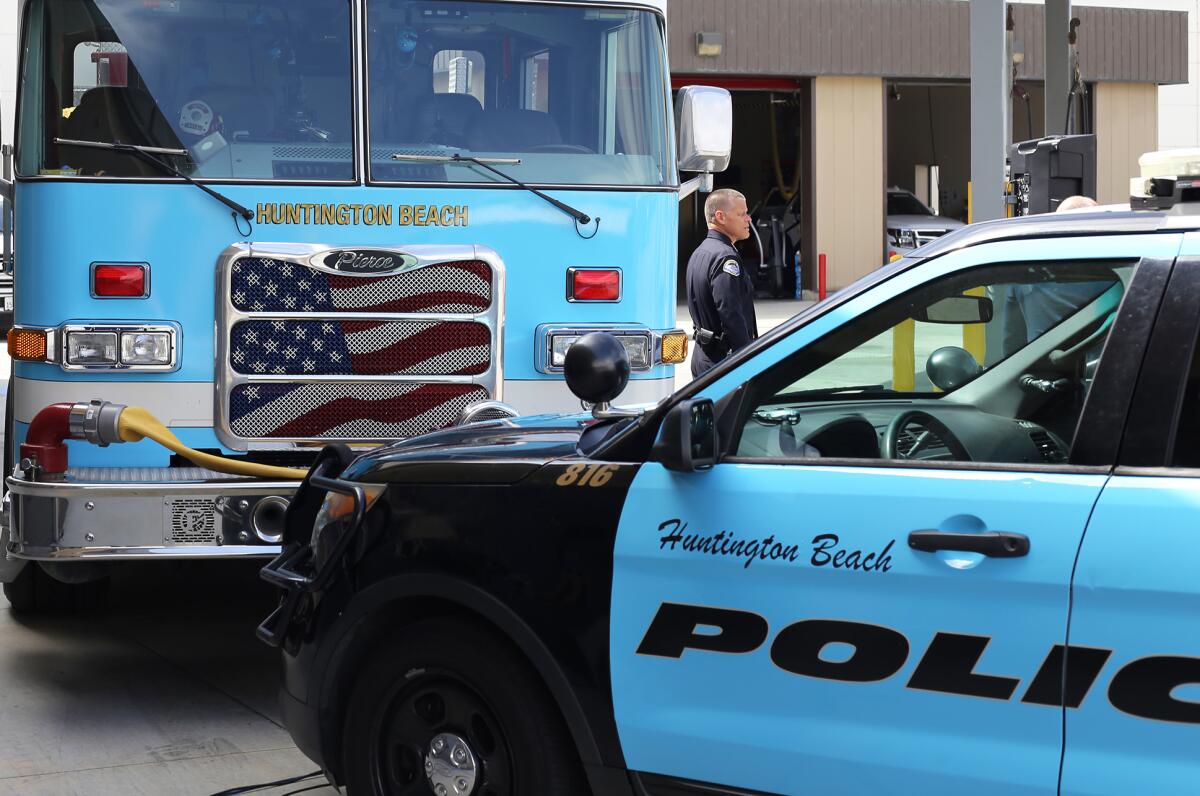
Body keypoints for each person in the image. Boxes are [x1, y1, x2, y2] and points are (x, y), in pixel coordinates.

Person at [686, 188, 757, 377]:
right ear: (720, 216)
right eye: (741, 214)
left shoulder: (701, 252)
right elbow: (730, 312)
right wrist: (747, 357)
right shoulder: (725, 257)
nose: (748, 219)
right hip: (723, 360)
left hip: (704, 355)